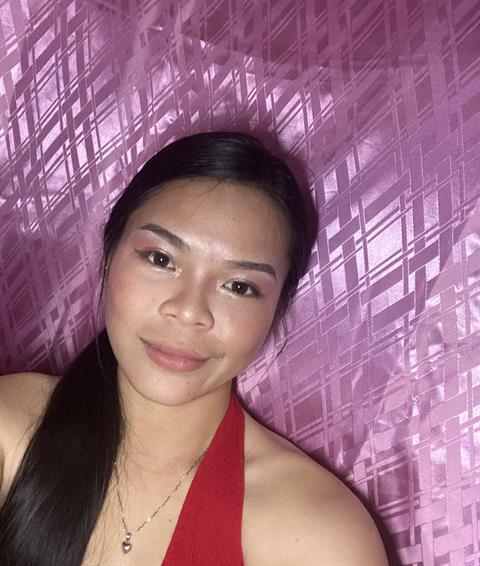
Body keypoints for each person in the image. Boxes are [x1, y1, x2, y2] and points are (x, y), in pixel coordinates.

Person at [0, 132, 388, 565]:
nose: (189, 312)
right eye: (161, 259)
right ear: (108, 256)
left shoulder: (317, 534)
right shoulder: (11, 427)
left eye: (239, 286)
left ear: (276, 309)